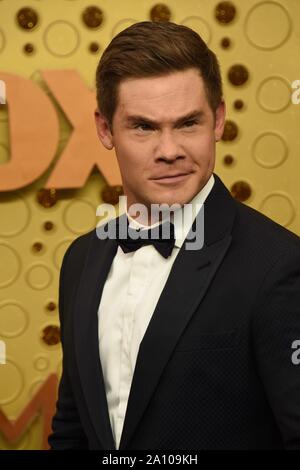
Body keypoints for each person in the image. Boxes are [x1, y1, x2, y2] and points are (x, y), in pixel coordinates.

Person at [48, 21, 300, 450]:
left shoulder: (278, 265)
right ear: (105, 130)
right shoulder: (80, 259)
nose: (169, 151)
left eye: (187, 124)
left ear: (218, 120)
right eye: (143, 127)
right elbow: (73, 428)